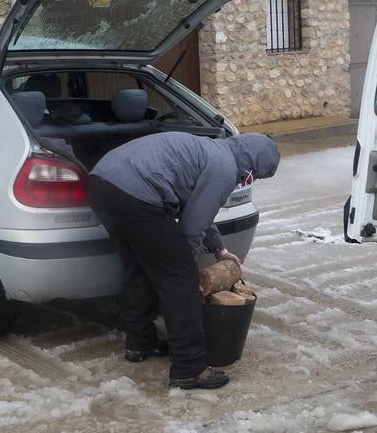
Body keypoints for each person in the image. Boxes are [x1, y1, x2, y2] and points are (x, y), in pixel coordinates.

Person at [88, 132, 280, 390]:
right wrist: (186, 275)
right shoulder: (224, 168)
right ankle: (189, 368)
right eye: (254, 175)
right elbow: (191, 229)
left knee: (139, 269)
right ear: (250, 164)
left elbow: (200, 210)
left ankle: (140, 342)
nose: (251, 180)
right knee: (180, 283)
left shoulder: (214, 151)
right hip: (136, 194)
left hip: (102, 184)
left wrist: (219, 249)